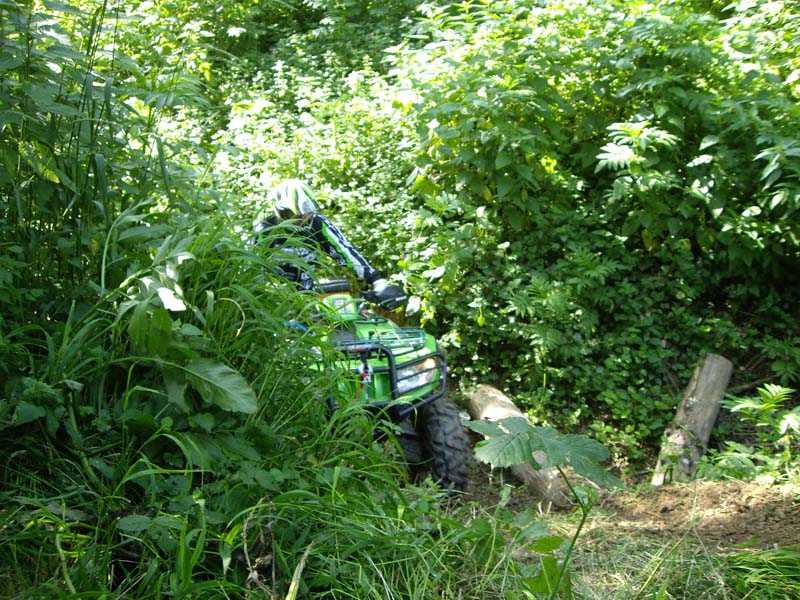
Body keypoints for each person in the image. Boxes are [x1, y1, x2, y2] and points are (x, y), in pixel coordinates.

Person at [252, 179, 408, 309]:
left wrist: (376, 281)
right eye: (296, 214)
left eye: (306, 211)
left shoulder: (317, 223)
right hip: (272, 299)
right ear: (282, 212)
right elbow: (250, 267)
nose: (303, 217)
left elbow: (345, 251)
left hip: (307, 296)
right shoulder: (265, 229)